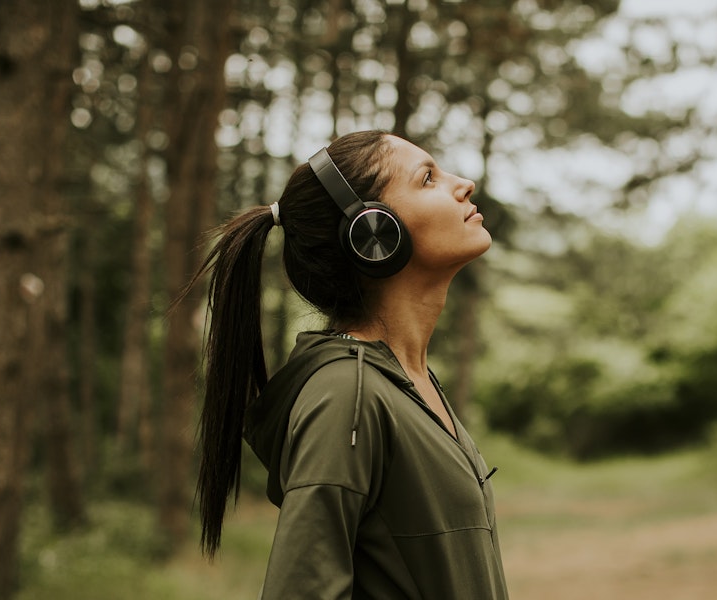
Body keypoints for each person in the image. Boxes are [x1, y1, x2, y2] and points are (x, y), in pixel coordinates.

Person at [190, 130, 508, 599]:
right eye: (427, 178)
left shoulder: (407, 382)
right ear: (374, 233)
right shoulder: (346, 394)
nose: (463, 184)